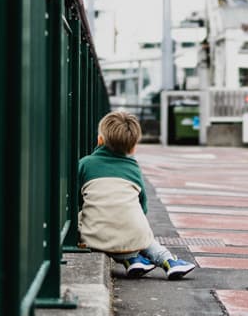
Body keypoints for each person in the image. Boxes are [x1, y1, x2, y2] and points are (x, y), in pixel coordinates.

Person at [77, 110, 196, 280]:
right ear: (133, 147)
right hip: (134, 234)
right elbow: (143, 206)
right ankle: (168, 261)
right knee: (141, 236)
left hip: (94, 238)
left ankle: (132, 260)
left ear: (100, 140)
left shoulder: (85, 164)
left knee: (94, 223)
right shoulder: (133, 168)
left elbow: (77, 200)